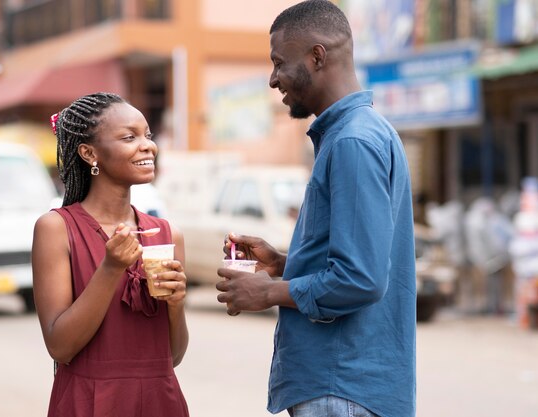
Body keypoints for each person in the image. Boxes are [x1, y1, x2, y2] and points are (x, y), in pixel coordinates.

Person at [215, 2, 416, 417]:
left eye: (278, 63)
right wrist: (283, 265)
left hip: (341, 385)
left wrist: (268, 292)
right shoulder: (358, 132)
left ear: (317, 56)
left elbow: (360, 279)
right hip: (346, 383)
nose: (273, 79)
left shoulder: (352, 142)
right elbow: (360, 260)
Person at [32, 92, 189, 417]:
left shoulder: (166, 233)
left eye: (148, 135)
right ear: (89, 153)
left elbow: (172, 356)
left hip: (161, 400)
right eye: (129, 137)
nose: (148, 145)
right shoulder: (56, 229)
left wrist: (175, 306)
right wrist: (111, 267)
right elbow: (60, 346)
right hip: (90, 400)